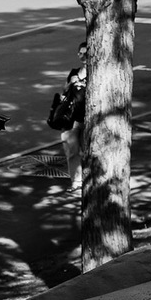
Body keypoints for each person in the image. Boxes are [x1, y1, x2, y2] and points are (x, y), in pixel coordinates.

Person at [62, 41, 87, 189]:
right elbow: (64, 93)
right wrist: (69, 84)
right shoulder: (73, 72)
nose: (82, 56)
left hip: (88, 119)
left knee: (87, 151)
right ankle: (76, 182)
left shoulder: (96, 73)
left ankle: (89, 180)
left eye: (85, 53)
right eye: (80, 53)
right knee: (72, 152)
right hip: (71, 119)